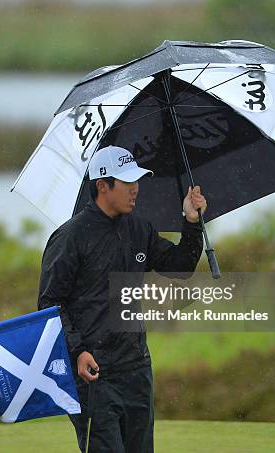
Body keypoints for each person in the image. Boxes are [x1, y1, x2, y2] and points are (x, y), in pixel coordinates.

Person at [38, 145, 207, 452]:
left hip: (136, 368)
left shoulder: (139, 228)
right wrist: (77, 351)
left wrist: (191, 221)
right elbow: (50, 303)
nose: (136, 189)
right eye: (128, 182)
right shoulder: (70, 236)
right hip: (93, 372)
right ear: (103, 186)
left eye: (137, 181)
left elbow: (179, 267)